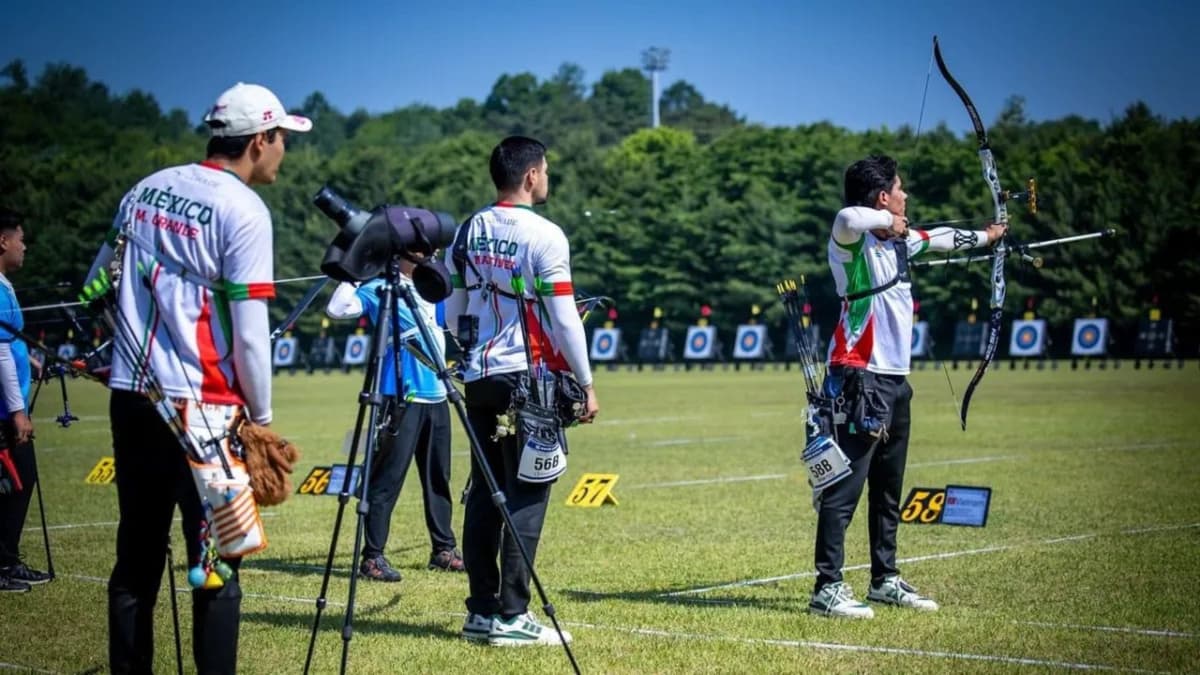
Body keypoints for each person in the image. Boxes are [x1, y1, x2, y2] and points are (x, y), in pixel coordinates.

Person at [87, 83, 310, 672]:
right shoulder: (244, 210)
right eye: (282, 138)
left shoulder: (146, 188)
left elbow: (94, 285)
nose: (284, 148)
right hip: (206, 414)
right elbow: (250, 333)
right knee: (215, 565)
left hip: (133, 399)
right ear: (259, 140)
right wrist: (260, 419)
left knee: (135, 558)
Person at [811, 154, 1005, 619]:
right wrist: (889, 224)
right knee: (844, 484)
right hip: (858, 373)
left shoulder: (901, 245)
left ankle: (885, 578)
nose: (906, 198)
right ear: (882, 197)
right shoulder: (849, 245)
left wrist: (991, 234)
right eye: (899, 190)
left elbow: (941, 238)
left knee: (888, 487)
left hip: (895, 381)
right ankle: (827, 586)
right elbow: (847, 216)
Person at [444, 135, 599, 647]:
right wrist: (587, 382)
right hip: (528, 379)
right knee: (528, 492)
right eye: (546, 171)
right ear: (531, 176)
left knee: (486, 492)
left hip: (480, 378)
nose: (548, 178)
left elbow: (455, 309)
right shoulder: (546, 234)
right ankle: (512, 616)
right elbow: (562, 317)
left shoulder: (468, 228)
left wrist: (468, 354)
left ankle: (481, 610)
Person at [324, 256, 464, 582]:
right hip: (401, 395)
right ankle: (372, 557)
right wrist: (354, 273)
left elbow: (453, 325)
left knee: (437, 478)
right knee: (387, 479)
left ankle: (443, 549)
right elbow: (337, 309)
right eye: (420, 251)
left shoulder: (433, 288)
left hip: (438, 395)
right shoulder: (381, 288)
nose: (428, 256)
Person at [0, 208, 52, 593]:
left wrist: (31, 359)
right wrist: (17, 411)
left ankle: (8, 560)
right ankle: (3, 564)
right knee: (14, 482)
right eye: (20, 237)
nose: (25, 245)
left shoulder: (6, 285)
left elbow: (10, 341)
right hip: (5, 409)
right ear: (3, 241)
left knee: (19, 480)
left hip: (10, 404)